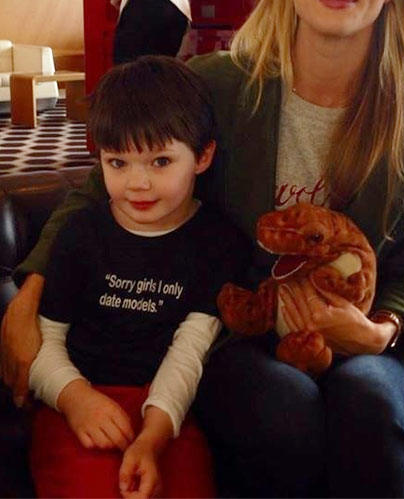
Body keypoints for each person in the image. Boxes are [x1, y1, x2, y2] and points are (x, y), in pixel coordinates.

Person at [0, 0, 404, 498]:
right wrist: (28, 299)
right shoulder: (215, 88)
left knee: (372, 405)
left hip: (357, 333)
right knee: (279, 407)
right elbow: (101, 189)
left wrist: (380, 332)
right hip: (239, 325)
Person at [27, 56, 251, 498]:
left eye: (160, 161)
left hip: (167, 410)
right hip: (73, 400)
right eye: (118, 163)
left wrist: (153, 435)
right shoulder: (80, 233)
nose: (137, 183)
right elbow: (43, 340)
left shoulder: (219, 242)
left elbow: (190, 351)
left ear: (203, 156)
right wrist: (75, 398)